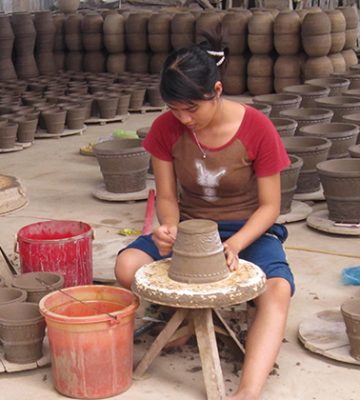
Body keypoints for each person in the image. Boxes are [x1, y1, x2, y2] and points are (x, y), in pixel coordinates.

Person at [115, 35, 294, 400]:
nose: (184, 118)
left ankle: (248, 389)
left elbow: (270, 207)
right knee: (127, 264)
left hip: (248, 229)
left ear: (216, 90)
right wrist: (169, 228)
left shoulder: (257, 128)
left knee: (277, 290)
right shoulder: (167, 129)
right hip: (191, 228)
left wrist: (236, 244)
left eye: (192, 108)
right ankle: (180, 318)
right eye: (174, 108)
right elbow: (166, 196)